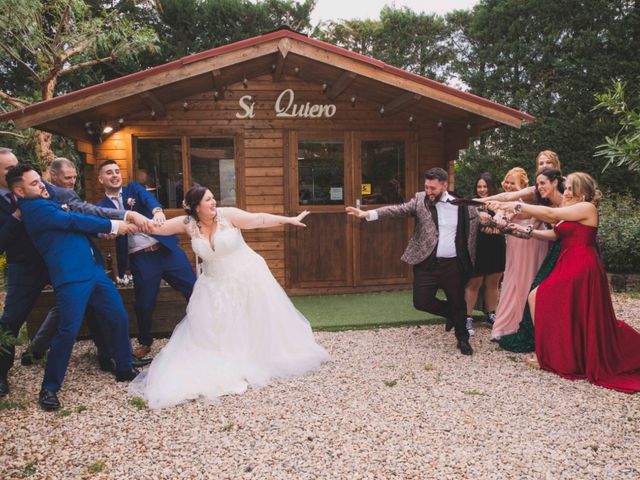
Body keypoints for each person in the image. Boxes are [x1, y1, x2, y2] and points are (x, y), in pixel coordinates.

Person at [128, 185, 329, 408]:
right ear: (196, 206)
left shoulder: (228, 215)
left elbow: (259, 219)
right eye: (208, 200)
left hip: (246, 276)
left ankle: (254, 356)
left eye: (213, 198)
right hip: (213, 285)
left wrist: (289, 220)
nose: (214, 202)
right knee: (212, 332)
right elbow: (159, 229)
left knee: (252, 321)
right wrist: (126, 224)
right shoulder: (187, 224)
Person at [488, 173, 640, 393]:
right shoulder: (570, 210)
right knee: (545, 300)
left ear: (584, 192)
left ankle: (548, 356)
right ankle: (553, 354)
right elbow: (555, 234)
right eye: (566, 188)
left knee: (539, 296)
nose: (566, 192)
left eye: (571, 188)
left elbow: (550, 212)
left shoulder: (586, 208)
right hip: (568, 261)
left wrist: (517, 206)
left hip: (582, 264)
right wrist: (524, 231)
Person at [8, 164, 138, 411]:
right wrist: (114, 225)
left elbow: (75, 223)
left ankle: (124, 367)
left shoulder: (46, 200)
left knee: (118, 316)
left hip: (93, 270)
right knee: (67, 331)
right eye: (34, 183)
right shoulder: (33, 209)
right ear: (20, 191)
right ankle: (49, 388)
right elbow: (71, 220)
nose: (42, 185)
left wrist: (101, 235)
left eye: (40, 180)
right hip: (71, 277)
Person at [21, 158, 153, 370]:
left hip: (85, 262)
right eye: (68, 177)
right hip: (64, 264)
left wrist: (103, 231)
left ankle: (113, 358)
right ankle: (38, 353)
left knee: (102, 312)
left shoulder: (60, 193)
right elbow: (79, 218)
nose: (72, 181)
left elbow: (80, 222)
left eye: (74, 177)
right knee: (66, 316)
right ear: (52, 176)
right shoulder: (46, 197)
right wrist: (116, 223)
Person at [346, 167, 479, 355]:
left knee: (458, 301)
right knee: (421, 301)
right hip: (426, 262)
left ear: (444, 185)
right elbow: (397, 210)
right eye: (426, 187)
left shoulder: (462, 204)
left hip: (452, 265)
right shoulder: (419, 200)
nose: (429, 192)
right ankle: (452, 314)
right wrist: (368, 214)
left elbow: (480, 222)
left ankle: (462, 339)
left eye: (433, 188)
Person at [95, 160, 196, 361]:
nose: (115, 175)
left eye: (117, 171)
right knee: (144, 303)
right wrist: (104, 233)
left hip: (166, 250)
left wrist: (158, 211)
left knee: (193, 289)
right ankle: (144, 342)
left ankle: (203, 333)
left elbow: (148, 199)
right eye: (109, 172)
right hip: (141, 258)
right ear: (101, 179)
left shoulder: (133, 189)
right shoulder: (101, 206)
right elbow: (100, 227)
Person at [495, 168, 565, 352]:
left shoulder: (560, 204)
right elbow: (545, 231)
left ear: (556, 181)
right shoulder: (545, 202)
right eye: (539, 183)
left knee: (537, 290)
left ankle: (552, 336)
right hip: (540, 244)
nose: (540, 187)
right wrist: (506, 225)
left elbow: (544, 221)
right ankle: (535, 333)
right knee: (523, 286)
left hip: (558, 251)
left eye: (543, 183)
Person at [490, 168, 550, 341]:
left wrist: (504, 216)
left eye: (512, 183)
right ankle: (506, 325)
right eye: (506, 182)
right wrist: (497, 219)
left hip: (532, 243)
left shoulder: (530, 200)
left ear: (523, 186)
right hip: (515, 244)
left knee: (527, 280)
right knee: (511, 280)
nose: (508, 186)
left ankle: (527, 325)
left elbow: (528, 220)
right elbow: (502, 215)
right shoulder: (506, 200)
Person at [463, 172, 506, 336]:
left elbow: (506, 221)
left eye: (485, 186)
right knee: (475, 282)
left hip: (496, 245)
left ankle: (491, 314)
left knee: (493, 282)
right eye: (479, 186)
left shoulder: (501, 203)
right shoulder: (471, 203)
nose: (482, 190)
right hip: (478, 246)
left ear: (491, 187)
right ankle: (467, 317)